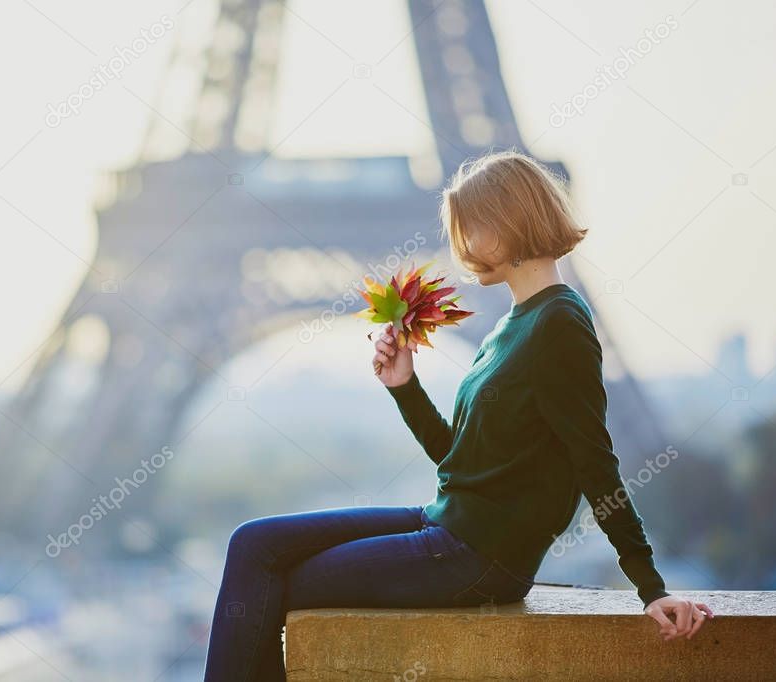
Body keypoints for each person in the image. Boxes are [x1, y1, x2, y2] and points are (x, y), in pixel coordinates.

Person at [202, 151, 714, 682]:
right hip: (446, 524)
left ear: (507, 220)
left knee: (276, 582)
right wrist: (404, 386)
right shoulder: (511, 325)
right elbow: (461, 461)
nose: (460, 245)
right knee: (253, 543)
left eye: (469, 227)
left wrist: (649, 586)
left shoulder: (560, 322)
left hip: (476, 556)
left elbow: (594, 462)